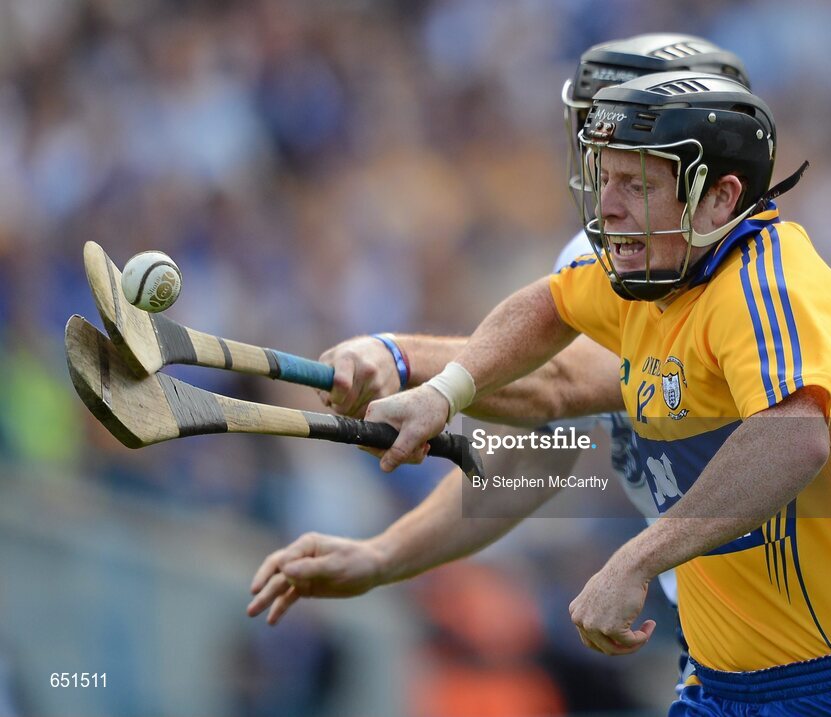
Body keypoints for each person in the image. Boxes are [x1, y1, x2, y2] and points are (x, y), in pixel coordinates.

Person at [352, 71, 831, 714]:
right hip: (716, 687)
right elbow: (548, 306)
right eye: (606, 179)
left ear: (719, 198)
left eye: (637, 185)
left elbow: (793, 439)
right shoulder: (653, 274)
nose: (607, 207)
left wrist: (637, 559)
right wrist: (446, 392)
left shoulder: (771, 286)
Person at [248, 34, 752, 703]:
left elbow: (562, 382)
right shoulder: (599, 260)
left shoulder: (734, 271)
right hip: (720, 646)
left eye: (631, 147)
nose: (602, 172)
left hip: (818, 638)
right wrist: (382, 556)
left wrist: (400, 357)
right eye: (596, 140)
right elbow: (529, 460)